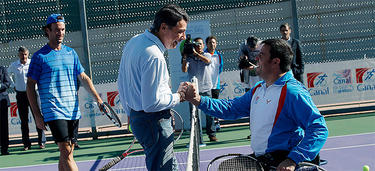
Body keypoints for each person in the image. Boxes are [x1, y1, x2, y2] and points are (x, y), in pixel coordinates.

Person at [183, 39, 328, 171]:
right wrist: (197, 99)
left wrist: (293, 159)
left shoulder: (292, 92)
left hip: (281, 160)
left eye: (261, 55)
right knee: (227, 168)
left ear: (275, 62)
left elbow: (319, 128)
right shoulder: (259, 88)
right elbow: (230, 108)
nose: (256, 58)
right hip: (262, 159)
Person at [26, 14, 103, 171]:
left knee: (68, 153)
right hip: (53, 110)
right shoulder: (39, 57)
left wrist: (98, 100)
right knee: (66, 151)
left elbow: (83, 77)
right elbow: (30, 86)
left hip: (72, 110)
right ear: (48, 31)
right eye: (56, 30)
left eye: (62, 30)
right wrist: (37, 115)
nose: (60, 33)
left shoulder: (71, 53)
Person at [117, 4, 188, 171]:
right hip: (153, 122)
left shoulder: (135, 41)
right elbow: (151, 104)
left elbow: (121, 82)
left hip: (141, 120)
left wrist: (130, 114)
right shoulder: (154, 55)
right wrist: (179, 96)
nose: (183, 37)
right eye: (180, 31)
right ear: (163, 27)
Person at [8, 46, 46, 151]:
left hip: (33, 93)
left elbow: (40, 74)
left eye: (25, 54)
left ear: (28, 54)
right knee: (24, 120)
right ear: (18, 55)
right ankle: (26, 143)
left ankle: (41, 141)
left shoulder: (32, 63)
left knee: (38, 116)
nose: (23, 56)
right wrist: (13, 85)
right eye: (21, 54)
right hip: (21, 95)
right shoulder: (14, 65)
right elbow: (8, 75)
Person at [182, 37, 218, 143]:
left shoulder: (206, 54)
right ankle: (197, 137)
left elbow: (207, 61)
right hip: (193, 90)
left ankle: (212, 134)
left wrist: (196, 54)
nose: (199, 45)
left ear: (203, 45)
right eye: (197, 44)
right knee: (194, 114)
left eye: (201, 44)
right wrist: (184, 57)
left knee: (209, 113)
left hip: (206, 88)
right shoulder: (189, 57)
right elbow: (184, 70)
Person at [205, 35, 223, 131]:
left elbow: (220, 69)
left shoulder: (219, 56)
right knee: (208, 107)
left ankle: (216, 123)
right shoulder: (203, 55)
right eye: (210, 42)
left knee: (215, 106)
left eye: (213, 42)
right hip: (205, 86)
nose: (212, 44)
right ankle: (210, 130)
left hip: (216, 85)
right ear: (206, 44)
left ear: (216, 44)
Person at [0, 66, 11, 155]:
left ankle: (4, 148)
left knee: (3, 126)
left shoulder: (3, 69)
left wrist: (0, 85)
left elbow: (7, 83)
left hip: (2, 101)